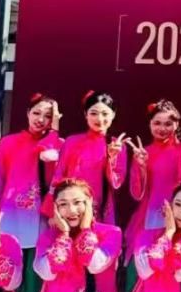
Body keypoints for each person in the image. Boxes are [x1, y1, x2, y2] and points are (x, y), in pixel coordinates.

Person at [0, 92, 62, 292]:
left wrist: (55, 131)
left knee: (34, 275)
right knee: (7, 268)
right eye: (36, 113)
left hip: (41, 216)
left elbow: (58, 178)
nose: (41, 119)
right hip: (10, 215)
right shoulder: (9, 142)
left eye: (47, 116)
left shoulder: (58, 145)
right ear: (28, 113)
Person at [123, 100, 181, 287]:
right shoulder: (144, 153)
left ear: (176, 124)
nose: (162, 128)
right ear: (149, 124)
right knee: (142, 267)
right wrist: (141, 167)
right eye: (157, 123)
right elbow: (137, 194)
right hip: (148, 217)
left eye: (168, 124)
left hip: (179, 217)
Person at [48, 91, 127, 226]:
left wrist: (112, 158)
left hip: (100, 207)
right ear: (86, 114)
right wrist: (52, 212)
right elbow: (58, 175)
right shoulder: (72, 141)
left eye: (105, 114)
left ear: (113, 115)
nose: (99, 119)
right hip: (70, 208)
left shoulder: (117, 145)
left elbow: (116, 183)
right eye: (93, 113)